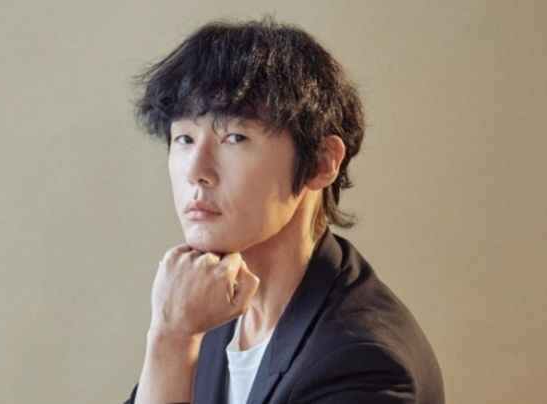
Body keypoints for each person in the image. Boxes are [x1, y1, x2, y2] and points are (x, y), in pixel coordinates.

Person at [124, 18, 444, 404]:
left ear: (322, 162)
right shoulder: (207, 312)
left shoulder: (362, 362)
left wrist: (171, 338)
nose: (196, 171)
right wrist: (173, 336)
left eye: (234, 137)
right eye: (184, 138)